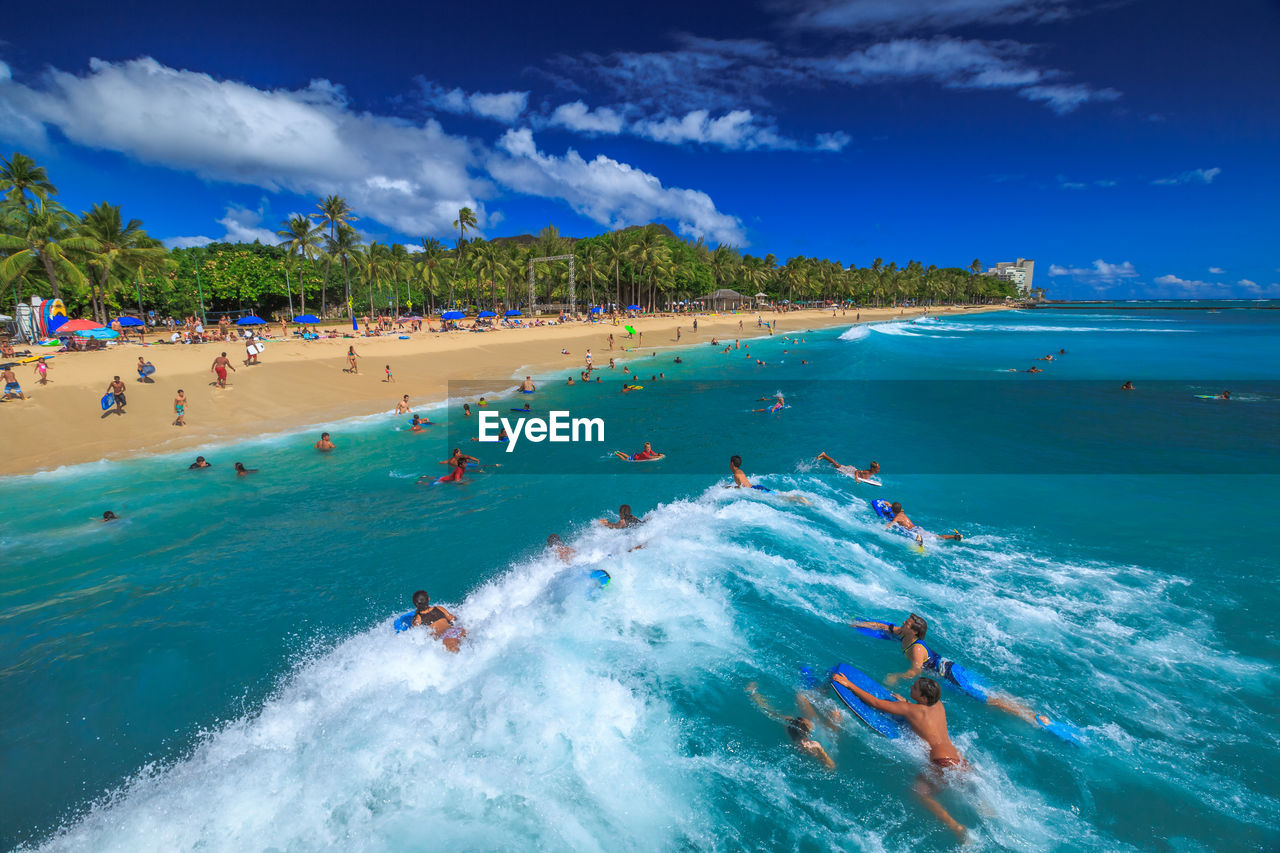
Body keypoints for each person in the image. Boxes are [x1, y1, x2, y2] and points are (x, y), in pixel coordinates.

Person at [832, 673, 968, 840]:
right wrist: (907, 703)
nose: (911, 687)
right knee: (968, 786)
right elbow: (924, 714)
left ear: (924, 698)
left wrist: (849, 684)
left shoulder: (911, 710)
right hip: (958, 757)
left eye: (915, 688)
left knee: (919, 793)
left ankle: (955, 827)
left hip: (941, 761)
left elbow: (875, 703)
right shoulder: (939, 705)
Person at [745, 682, 840, 770]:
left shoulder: (804, 724)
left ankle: (823, 691)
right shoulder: (810, 745)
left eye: (800, 719)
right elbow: (831, 767)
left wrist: (754, 694)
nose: (799, 719)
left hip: (817, 728)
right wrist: (820, 750)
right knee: (836, 713)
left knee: (801, 696)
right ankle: (824, 692)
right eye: (800, 720)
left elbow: (770, 713)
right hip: (829, 739)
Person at [885, 501, 962, 541]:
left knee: (920, 540)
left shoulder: (897, 517)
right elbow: (896, 508)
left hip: (913, 531)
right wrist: (890, 505)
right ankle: (954, 536)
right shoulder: (902, 512)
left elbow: (890, 525)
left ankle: (919, 544)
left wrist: (883, 527)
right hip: (918, 528)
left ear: (892, 510)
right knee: (936, 537)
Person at [816, 452, 880, 483]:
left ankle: (824, 457)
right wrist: (856, 478)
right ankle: (824, 455)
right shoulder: (867, 472)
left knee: (837, 466)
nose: (878, 470)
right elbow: (857, 471)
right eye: (877, 469)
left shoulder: (872, 473)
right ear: (873, 468)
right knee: (836, 465)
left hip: (851, 470)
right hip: (851, 470)